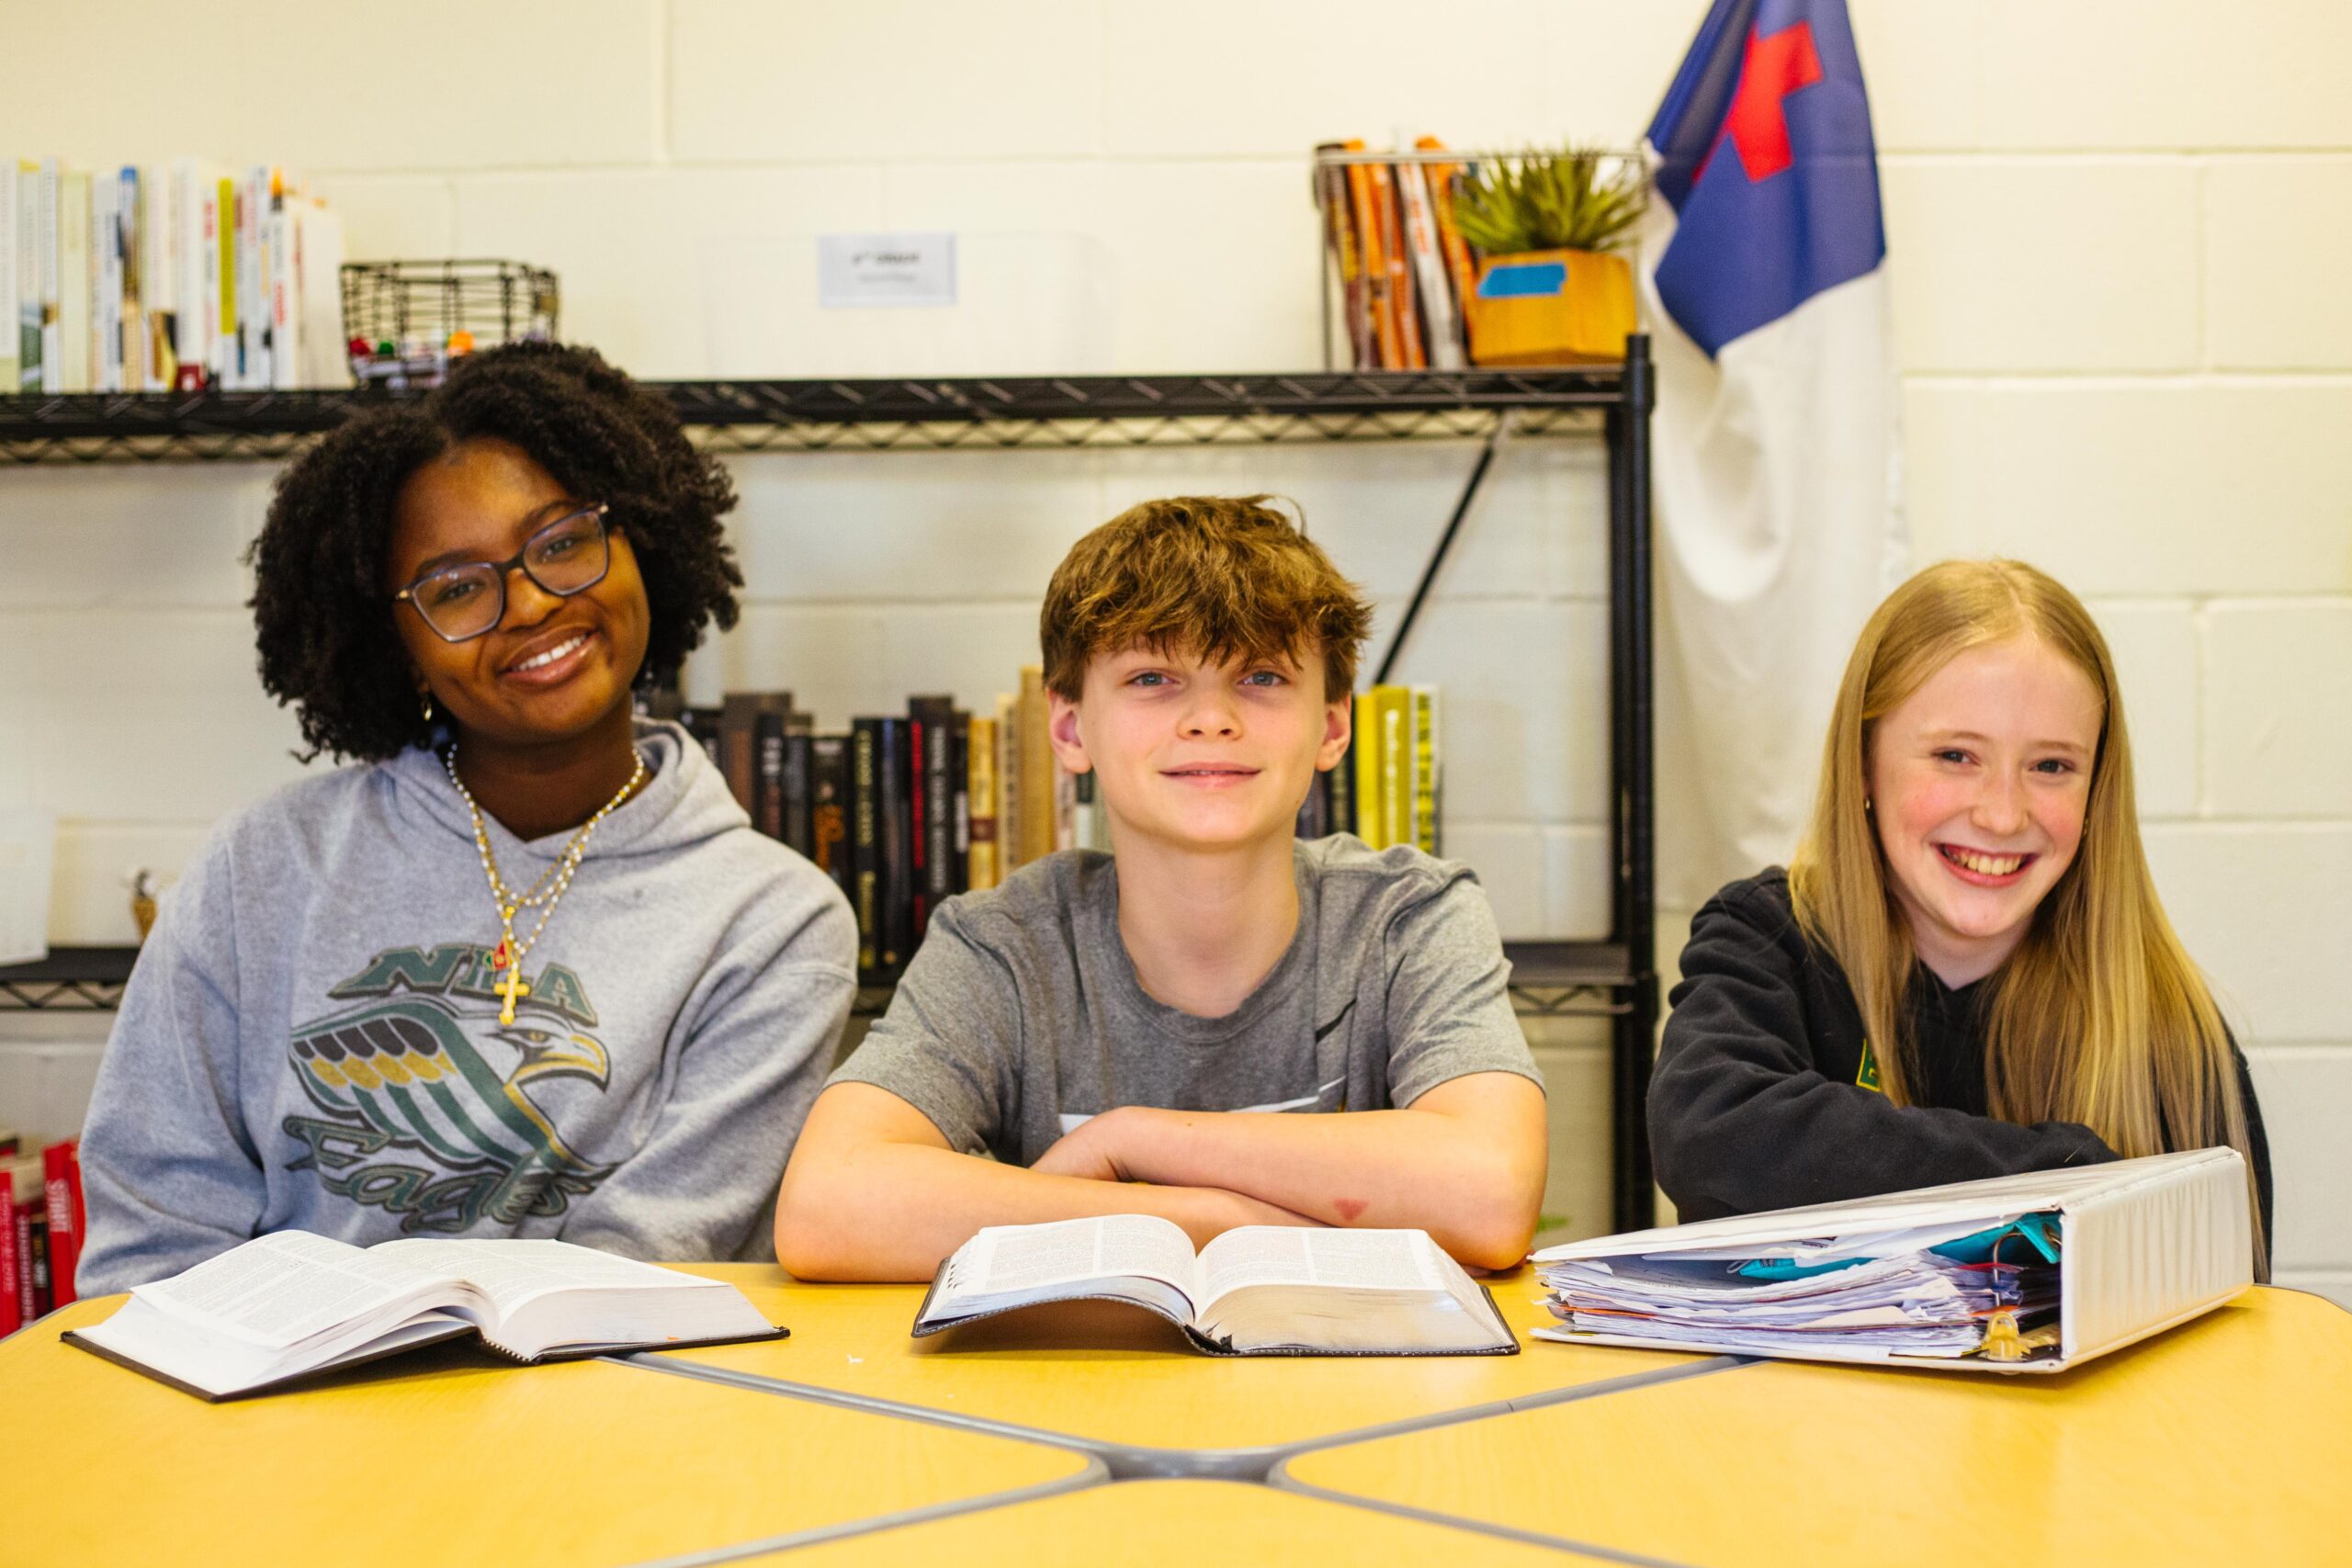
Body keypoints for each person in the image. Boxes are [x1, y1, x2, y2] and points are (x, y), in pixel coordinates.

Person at [77, 344, 858, 1292]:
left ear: (639, 547)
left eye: (562, 541)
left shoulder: (774, 922)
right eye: (454, 588)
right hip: (267, 1416)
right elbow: (152, 1239)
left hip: (599, 1422)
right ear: (398, 648)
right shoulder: (264, 866)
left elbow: (645, 1270)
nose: (527, 603)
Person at [775, 496, 1547, 1280]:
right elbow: (826, 1205)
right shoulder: (1003, 945)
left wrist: (1135, 1139)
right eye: (1152, 677)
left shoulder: (1408, 918)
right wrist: (1211, 1219)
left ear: (1334, 725)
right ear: (1071, 728)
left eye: (1261, 676)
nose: (1210, 718)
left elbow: (1490, 1194)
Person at [1649, 558, 2272, 1270]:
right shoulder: (1769, 939)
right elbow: (1716, 1136)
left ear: (2098, 789)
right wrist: (2080, 1175)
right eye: (1955, 755)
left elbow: (2236, 1318)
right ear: (1862, 762)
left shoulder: (2169, 1032)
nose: (2002, 813)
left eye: (2052, 767)